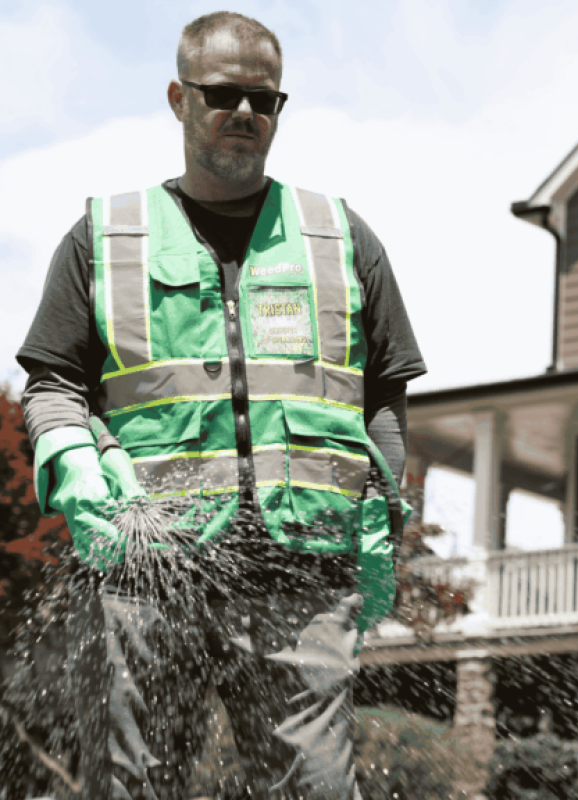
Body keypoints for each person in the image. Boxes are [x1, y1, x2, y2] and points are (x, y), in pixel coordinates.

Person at [16, 11, 426, 800]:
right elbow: (54, 382)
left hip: (304, 574)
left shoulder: (340, 238)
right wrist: (70, 457)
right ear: (179, 97)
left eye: (263, 99)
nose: (244, 112)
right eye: (223, 94)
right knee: (138, 786)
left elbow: (382, 396)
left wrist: (384, 506)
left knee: (315, 789)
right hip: (151, 569)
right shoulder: (105, 238)